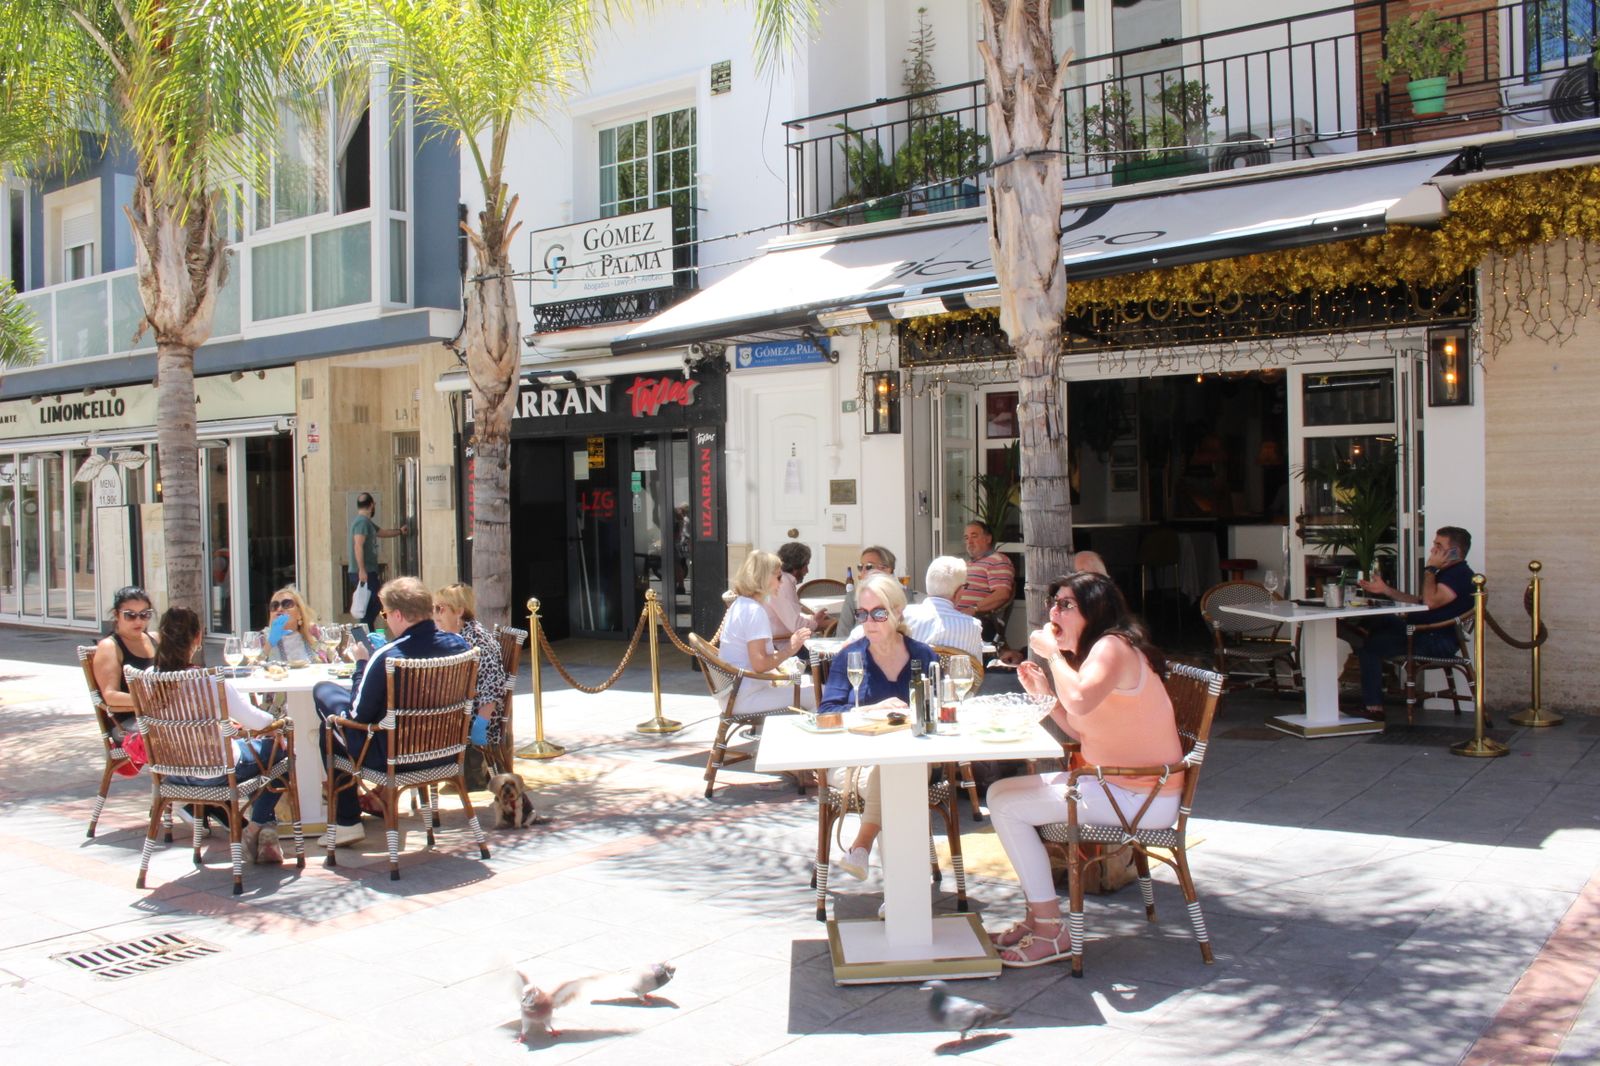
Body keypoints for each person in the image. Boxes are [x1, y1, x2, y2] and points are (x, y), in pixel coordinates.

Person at [986, 572, 1183, 967]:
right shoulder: (1100, 653)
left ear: (1095, 611)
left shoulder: (1112, 647)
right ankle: (1037, 918)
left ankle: (1051, 928)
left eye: (1066, 605)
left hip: (1140, 796)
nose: (1054, 612)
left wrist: (1053, 656)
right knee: (998, 794)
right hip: (1119, 785)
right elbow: (1081, 725)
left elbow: (1077, 701)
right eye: (1054, 603)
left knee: (1008, 807)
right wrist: (1045, 693)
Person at [314, 576, 470, 845]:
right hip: (446, 753)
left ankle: (347, 821)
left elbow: (356, 717)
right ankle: (347, 819)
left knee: (327, 712)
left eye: (385, 614)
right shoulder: (460, 646)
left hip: (392, 757)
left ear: (398, 614)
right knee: (333, 698)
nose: (385, 620)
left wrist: (362, 665)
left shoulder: (388, 656)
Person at [818, 573, 938, 881]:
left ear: (898, 612)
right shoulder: (851, 656)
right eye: (862, 613)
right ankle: (902, 894)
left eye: (879, 613)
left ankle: (862, 845)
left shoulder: (923, 656)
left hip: (915, 756)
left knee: (898, 768)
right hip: (856, 760)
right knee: (896, 778)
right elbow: (827, 711)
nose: (869, 621)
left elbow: (938, 711)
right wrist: (872, 710)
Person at [150, 607, 291, 864]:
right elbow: (256, 721)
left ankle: (265, 831)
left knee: (261, 753)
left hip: (172, 772)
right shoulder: (210, 681)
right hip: (215, 771)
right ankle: (257, 826)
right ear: (198, 637)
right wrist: (279, 724)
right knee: (281, 751)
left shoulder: (147, 679)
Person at [1342, 526, 1477, 720]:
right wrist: (1386, 590)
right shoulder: (1449, 573)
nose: (1432, 550)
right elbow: (1420, 601)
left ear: (1454, 552)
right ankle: (1357, 632)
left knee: (1370, 647)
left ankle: (1373, 708)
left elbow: (1429, 603)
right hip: (1420, 631)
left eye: (1438, 546)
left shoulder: (1459, 575)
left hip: (1434, 640)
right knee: (1378, 616)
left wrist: (1430, 569)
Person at [433, 582, 509, 788]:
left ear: (459, 611)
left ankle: (414, 773)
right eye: (434, 608)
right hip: (459, 711)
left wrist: (479, 728)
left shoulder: (476, 640)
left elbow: (492, 686)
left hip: (475, 718)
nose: (436, 614)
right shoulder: (456, 636)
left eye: (441, 608)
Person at [720, 550, 814, 714]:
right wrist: (791, 648)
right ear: (763, 579)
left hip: (735, 693)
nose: (781, 583)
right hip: (747, 697)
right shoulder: (754, 611)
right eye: (778, 577)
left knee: (810, 684)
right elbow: (760, 664)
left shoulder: (741, 604)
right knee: (821, 693)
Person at [92, 586, 158, 726]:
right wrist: (151, 701)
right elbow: (110, 696)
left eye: (144, 614)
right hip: (130, 721)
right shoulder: (110, 646)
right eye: (130, 615)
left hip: (159, 716)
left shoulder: (155, 639)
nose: (138, 621)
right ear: (117, 615)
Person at [899, 556, 982, 658]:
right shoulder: (972, 626)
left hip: (913, 673)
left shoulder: (903, 615)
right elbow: (977, 669)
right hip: (955, 674)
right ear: (960, 591)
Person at [349, 492, 408, 629]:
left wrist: (399, 531)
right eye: (374, 505)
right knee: (373, 604)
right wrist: (362, 570)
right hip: (365, 573)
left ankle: (368, 632)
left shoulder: (366, 523)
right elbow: (358, 545)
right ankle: (366, 635)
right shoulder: (362, 523)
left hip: (367, 571)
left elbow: (382, 532)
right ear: (371, 505)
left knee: (375, 604)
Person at [954, 522, 1015, 645]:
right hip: (957, 619)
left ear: (988, 538)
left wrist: (974, 609)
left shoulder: (997, 561)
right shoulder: (968, 564)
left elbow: (1002, 594)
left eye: (974, 536)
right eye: (966, 538)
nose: (969, 542)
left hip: (975, 622)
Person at [766, 542, 830, 644]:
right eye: (806, 565)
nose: (807, 571)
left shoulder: (783, 580)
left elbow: (789, 615)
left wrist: (813, 618)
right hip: (782, 644)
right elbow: (796, 626)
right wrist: (825, 624)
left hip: (785, 639)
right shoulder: (783, 583)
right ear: (796, 566)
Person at [262, 586, 329, 664]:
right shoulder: (262, 638)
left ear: (299, 614)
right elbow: (250, 668)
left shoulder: (314, 633)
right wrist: (269, 643)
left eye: (287, 604)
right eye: (274, 606)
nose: (279, 609)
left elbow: (330, 662)